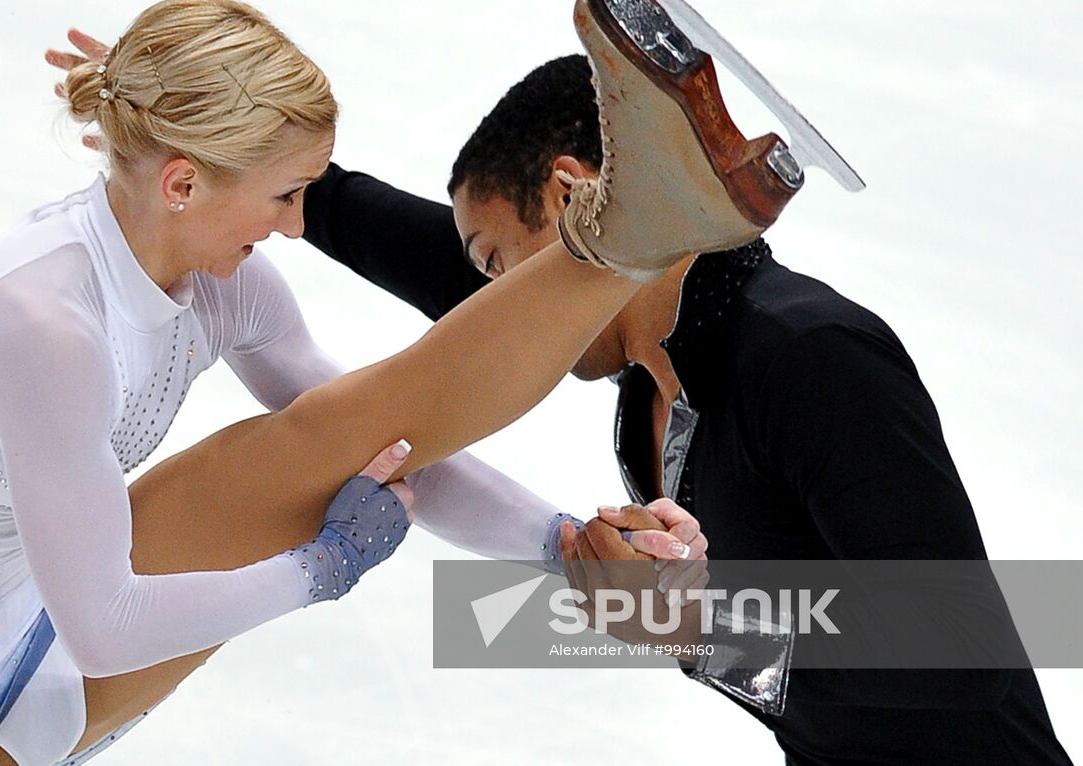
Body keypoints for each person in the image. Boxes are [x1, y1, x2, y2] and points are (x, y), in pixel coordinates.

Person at [0, 0, 760, 766]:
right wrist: (320, 571)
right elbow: (106, 628)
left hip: (28, 633)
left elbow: (387, 449)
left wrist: (561, 549)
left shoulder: (219, 286)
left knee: (318, 439)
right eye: (283, 194)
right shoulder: (43, 328)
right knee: (283, 456)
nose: (296, 223)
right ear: (183, 183)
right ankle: (632, 235)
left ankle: (633, 232)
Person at [291, 53, 1072, 762]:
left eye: (496, 261)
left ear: (572, 194)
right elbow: (467, 284)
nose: (497, 306)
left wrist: (699, 625)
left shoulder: (809, 355)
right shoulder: (650, 376)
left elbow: (960, 646)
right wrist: (290, 193)